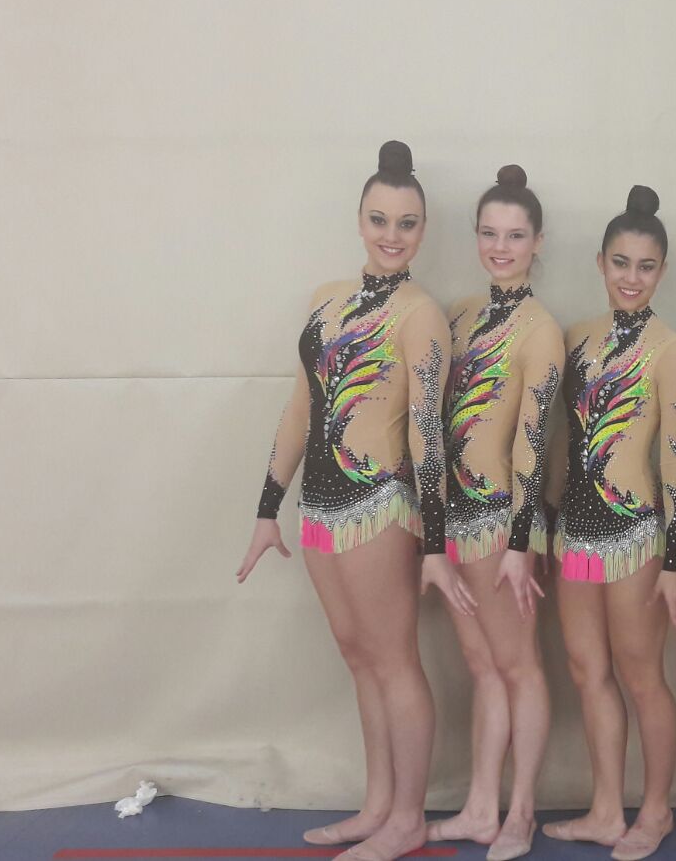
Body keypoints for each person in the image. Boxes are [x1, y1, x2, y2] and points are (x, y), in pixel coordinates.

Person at [238, 141, 449, 861]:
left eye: (407, 224)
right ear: (360, 220)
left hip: (378, 506)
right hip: (319, 509)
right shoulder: (324, 301)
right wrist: (268, 509)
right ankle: (378, 805)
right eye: (380, 220)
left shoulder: (421, 314)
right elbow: (302, 407)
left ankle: (408, 818)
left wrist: (435, 545)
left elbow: (426, 433)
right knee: (359, 657)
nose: (392, 236)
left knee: (394, 660)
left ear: (424, 230)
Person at [541, 185, 676, 861]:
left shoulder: (670, 350)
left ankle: (655, 809)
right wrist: (546, 527)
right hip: (575, 535)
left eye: (646, 266)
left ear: (662, 270)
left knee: (640, 675)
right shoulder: (576, 338)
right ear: (600, 262)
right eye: (621, 263)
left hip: (636, 538)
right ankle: (606, 809)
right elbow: (561, 443)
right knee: (585, 668)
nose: (631, 278)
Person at [423, 165, 562, 861]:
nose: (500, 248)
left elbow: (534, 440)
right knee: (482, 665)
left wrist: (519, 543)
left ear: (538, 242)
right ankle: (481, 807)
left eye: (514, 235)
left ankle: (521, 811)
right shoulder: (459, 317)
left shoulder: (540, 330)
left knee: (519, 665)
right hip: (455, 519)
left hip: (504, 520)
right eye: (489, 233)